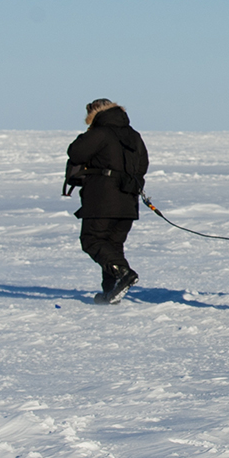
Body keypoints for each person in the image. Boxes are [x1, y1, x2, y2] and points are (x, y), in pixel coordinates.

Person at [66, 99, 149, 304]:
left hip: (102, 198)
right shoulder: (134, 136)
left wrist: (87, 135)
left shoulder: (100, 132)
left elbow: (75, 152)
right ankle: (111, 292)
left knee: (92, 239)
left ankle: (124, 273)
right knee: (113, 245)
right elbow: (143, 165)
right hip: (127, 200)